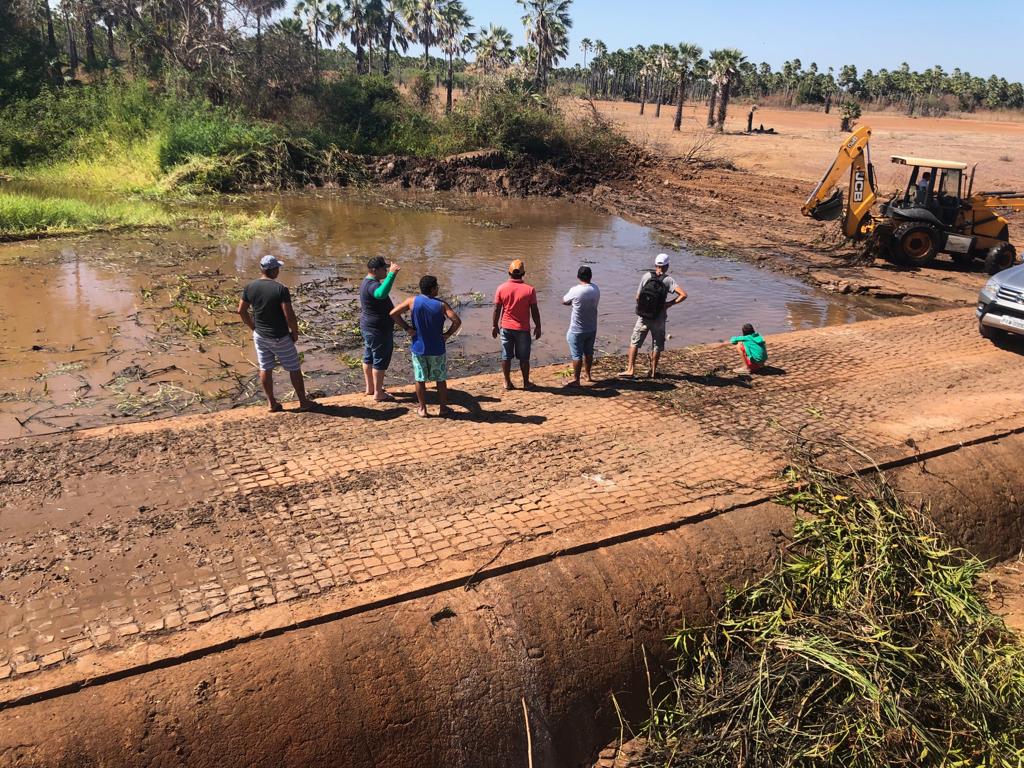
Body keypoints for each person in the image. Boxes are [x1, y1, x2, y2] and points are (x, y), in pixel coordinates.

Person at [237, 255, 317, 413]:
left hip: (260, 336)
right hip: (279, 336)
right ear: (272, 270)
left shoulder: (250, 287)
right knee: (294, 367)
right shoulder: (280, 289)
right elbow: (289, 315)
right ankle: (303, 401)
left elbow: (241, 310)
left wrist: (253, 327)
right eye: (277, 268)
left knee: (265, 367)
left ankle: (271, 403)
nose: (278, 271)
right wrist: (295, 332)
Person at [390, 275, 462, 417]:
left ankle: (422, 409)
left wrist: (407, 328)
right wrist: (447, 334)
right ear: (433, 289)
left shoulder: (412, 301)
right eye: (437, 287)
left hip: (418, 347)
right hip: (437, 348)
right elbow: (456, 321)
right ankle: (443, 408)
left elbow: (393, 313)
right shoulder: (441, 305)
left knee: (420, 379)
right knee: (440, 379)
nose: (438, 289)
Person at [620, 253, 687, 379]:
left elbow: (637, 296)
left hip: (643, 317)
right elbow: (683, 295)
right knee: (656, 345)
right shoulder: (668, 280)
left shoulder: (646, 276)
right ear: (667, 266)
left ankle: (630, 370)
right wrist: (669, 304)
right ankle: (653, 372)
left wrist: (642, 307)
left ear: (656, 265)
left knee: (634, 343)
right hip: (659, 318)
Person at [492, 259, 541, 390]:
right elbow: (534, 310)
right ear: (523, 273)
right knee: (524, 358)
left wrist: (494, 325)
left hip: (506, 327)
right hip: (523, 329)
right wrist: (538, 326)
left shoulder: (501, 288)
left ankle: (507, 382)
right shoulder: (529, 290)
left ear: (509, 272)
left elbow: (497, 309)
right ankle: (526, 382)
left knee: (506, 356)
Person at [360, 256, 400, 402]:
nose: (386, 270)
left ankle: (370, 388)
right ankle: (378, 393)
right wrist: (392, 275)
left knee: (369, 357)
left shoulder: (366, 282)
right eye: (384, 268)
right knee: (379, 360)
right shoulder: (372, 286)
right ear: (375, 270)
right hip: (377, 329)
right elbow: (381, 293)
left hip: (368, 327)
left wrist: (389, 275)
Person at [562, 265, 600, 387]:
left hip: (577, 329)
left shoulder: (575, 290)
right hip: (592, 327)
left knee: (576, 355)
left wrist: (573, 303)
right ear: (591, 276)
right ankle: (588, 375)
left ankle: (576, 380)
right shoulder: (596, 289)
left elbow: (564, 301)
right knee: (588, 352)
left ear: (578, 276)